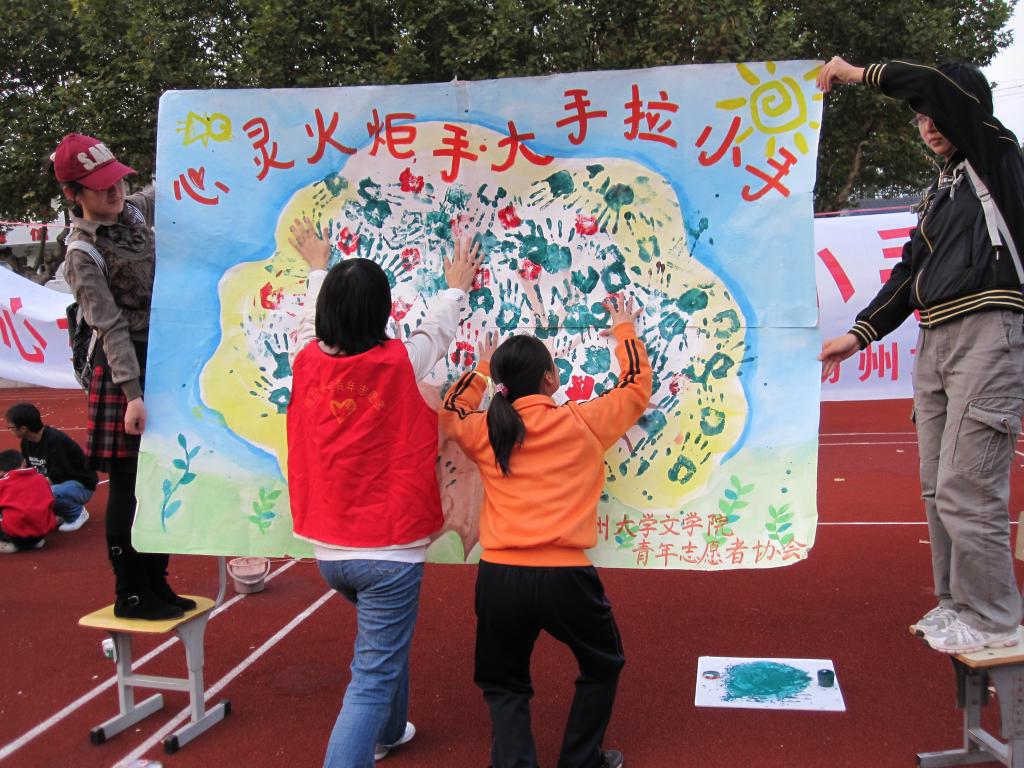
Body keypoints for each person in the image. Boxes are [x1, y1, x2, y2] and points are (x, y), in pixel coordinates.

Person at [818, 57, 1024, 654]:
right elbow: (909, 274)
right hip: (934, 341)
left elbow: (934, 86)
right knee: (937, 486)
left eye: (935, 113)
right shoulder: (941, 192)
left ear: (965, 109)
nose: (927, 124)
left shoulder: (995, 156)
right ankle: (956, 604)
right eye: (920, 118)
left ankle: (993, 616)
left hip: (987, 333)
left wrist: (856, 74)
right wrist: (859, 334)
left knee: (968, 486)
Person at [286, 216, 482, 768]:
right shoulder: (398, 362)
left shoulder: (305, 359)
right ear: (383, 313)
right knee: (371, 675)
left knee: (383, 653)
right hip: (389, 551)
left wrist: (318, 267)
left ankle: (389, 732)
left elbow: (308, 321)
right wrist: (456, 286)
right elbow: (437, 330)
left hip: (331, 550)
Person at [439, 297, 652, 768]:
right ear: (551, 379)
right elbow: (636, 386)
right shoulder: (582, 421)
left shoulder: (486, 430)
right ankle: (581, 760)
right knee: (603, 663)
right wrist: (624, 329)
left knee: (504, 682)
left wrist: (480, 371)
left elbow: (451, 411)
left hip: (499, 577)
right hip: (566, 578)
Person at [52, 132, 192, 620]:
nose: (115, 191)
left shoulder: (131, 211)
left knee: (161, 475)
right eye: (101, 186)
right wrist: (133, 394)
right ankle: (131, 591)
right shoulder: (82, 253)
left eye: (117, 180)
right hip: (123, 369)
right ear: (74, 194)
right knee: (130, 481)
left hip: (162, 359)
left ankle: (157, 580)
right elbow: (108, 326)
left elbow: (168, 188)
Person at [6, 402, 96, 532]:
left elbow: (59, 475)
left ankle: (77, 513)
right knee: (28, 492)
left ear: (23, 428)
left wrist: (29, 490)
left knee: (39, 493)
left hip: (80, 485)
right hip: (58, 483)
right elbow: (31, 471)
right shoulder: (26, 442)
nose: (9, 429)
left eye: (11, 426)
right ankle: (61, 512)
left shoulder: (55, 441)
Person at [0, 449, 57, 553]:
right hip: (40, 534)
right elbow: (52, 502)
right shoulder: (41, 479)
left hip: (14, 536)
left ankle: (8, 543)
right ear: (24, 463)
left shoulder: (2, 483)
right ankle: (33, 541)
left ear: (2, 472)